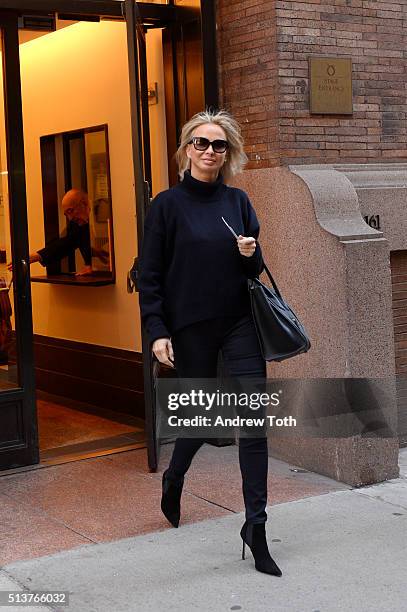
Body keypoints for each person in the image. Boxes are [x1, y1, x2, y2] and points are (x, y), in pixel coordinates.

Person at [138, 109, 282, 577]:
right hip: (190, 327)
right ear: (186, 149)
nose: (209, 152)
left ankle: (256, 528)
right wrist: (157, 330)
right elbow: (151, 274)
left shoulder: (238, 202)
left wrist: (251, 253)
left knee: (253, 424)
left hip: (239, 324)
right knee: (200, 422)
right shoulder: (166, 205)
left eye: (218, 145)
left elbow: (253, 270)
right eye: (200, 143)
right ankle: (175, 477)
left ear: (228, 154)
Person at [8, 189, 108, 276]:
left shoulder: (107, 215)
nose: (70, 218)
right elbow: (64, 244)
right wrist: (35, 256)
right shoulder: (77, 224)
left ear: (84, 203)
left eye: (70, 211)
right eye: (66, 214)